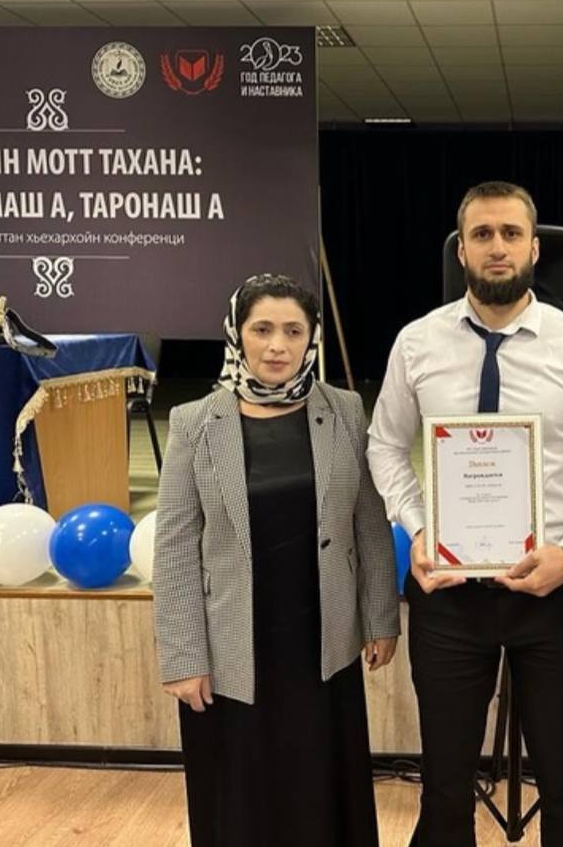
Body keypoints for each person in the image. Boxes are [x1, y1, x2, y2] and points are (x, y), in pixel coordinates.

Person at [367, 181, 563, 847]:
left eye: (511, 233)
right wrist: (418, 529)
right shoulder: (417, 344)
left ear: (534, 248)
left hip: (553, 593)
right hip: (448, 592)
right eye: (482, 234)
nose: (497, 247)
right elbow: (384, 445)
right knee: (445, 784)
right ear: (461, 250)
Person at [153, 273, 400, 847]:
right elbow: (174, 547)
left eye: (293, 331)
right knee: (242, 792)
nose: (277, 346)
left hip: (323, 640)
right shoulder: (194, 422)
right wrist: (183, 655)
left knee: (321, 785)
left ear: (312, 338)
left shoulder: (345, 410)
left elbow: (369, 522)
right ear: (236, 334)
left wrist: (381, 618)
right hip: (231, 645)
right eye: (261, 329)